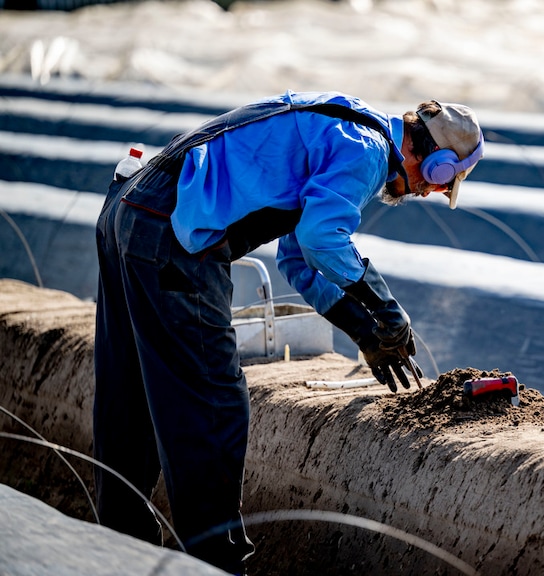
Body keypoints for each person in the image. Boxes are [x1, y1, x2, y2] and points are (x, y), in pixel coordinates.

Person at [93, 90, 484, 574]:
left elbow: (297, 259)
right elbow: (323, 240)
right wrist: (387, 308)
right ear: (435, 159)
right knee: (214, 405)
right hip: (169, 231)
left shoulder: (346, 127)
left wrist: (363, 329)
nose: (429, 192)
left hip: (130, 206)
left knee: (129, 394)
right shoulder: (368, 152)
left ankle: (119, 555)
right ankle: (218, 566)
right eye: (441, 182)